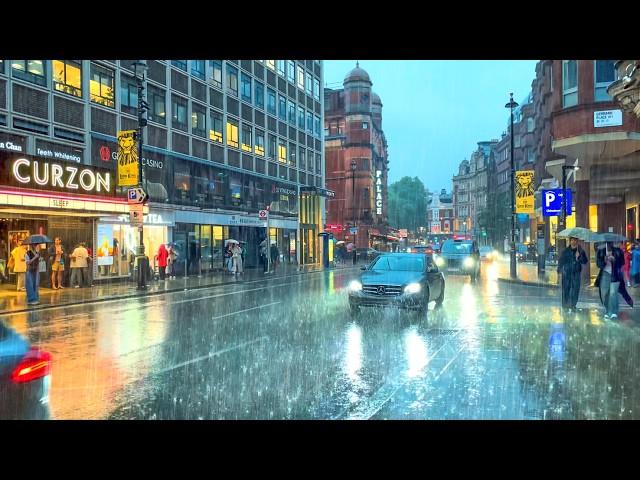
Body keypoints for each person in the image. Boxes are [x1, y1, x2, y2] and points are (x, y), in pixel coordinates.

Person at [557, 236, 588, 313]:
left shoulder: (580, 251)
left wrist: (579, 257)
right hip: (567, 273)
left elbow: (585, 261)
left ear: (577, 241)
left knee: (575, 290)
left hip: (576, 273)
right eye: (572, 240)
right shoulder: (566, 251)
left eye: (575, 240)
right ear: (570, 241)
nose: (574, 242)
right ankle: (565, 306)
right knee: (566, 290)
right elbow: (561, 261)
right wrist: (559, 271)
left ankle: (573, 305)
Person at [595, 241, 625, 319]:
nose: (609, 245)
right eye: (608, 243)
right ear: (605, 243)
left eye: (610, 243)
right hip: (605, 274)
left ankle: (613, 312)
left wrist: (615, 260)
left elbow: (622, 262)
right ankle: (607, 310)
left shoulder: (618, 251)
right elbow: (598, 264)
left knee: (613, 293)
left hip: (615, 275)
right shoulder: (601, 251)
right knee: (605, 293)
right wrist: (604, 260)